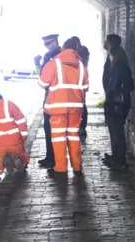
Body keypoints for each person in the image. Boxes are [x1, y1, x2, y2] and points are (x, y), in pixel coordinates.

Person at [38, 38, 89, 174]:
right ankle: (77, 166)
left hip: (57, 108)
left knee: (59, 137)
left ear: (63, 48)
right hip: (76, 108)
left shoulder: (54, 63)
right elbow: (85, 87)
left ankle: (60, 167)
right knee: (73, 135)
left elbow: (42, 83)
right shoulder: (81, 65)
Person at [103, 45, 134, 170]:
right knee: (117, 131)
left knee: (117, 132)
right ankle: (116, 157)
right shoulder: (124, 66)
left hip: (117, 104)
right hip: (122, 103)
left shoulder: (117, 68)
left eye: (110, 55)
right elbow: (131, 86)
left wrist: (110, 99)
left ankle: (119, 160)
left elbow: (114, 87)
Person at [37, 34, 62, 168]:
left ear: (54, 42)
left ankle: (51, 158)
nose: (47, 47)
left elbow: (42, 79)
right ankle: (56, 158)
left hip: (52, 98)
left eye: (48, 44)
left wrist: (37, 64)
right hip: (64, 98)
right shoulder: (65, 55)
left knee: (49, 128)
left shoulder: (49, 57)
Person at [69, 36, 90, 138]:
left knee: (82, 105)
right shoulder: (77, 52)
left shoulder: (83, 51)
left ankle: (82, 127)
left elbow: (83, 64)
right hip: (74, 82)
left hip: (80, 82)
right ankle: (77, 126)